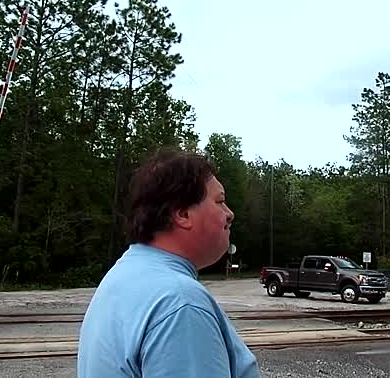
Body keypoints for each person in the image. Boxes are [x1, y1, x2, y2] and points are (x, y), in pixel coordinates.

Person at [77, 149, 261, 378]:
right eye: (220, 201)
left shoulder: (123, 275)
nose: (229, 213)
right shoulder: (181, 302)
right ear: (183, 214)